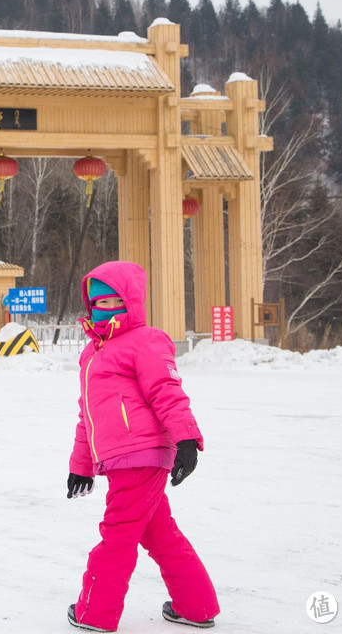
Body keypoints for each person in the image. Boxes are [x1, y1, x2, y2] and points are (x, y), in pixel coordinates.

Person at [65, 260, 220, 632]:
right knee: (160, 533)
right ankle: (195, 607)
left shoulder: (145, 340)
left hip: (142, 455)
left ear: (130, 302)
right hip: (120, 459)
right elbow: (88, 416)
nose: (105, 309)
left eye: (114, 302)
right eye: (98, 303)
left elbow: (167, 393)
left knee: (117, 536)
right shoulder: (92, 355)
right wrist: (80, 465)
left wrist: (186, 440)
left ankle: (95, 613)